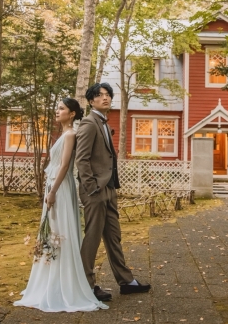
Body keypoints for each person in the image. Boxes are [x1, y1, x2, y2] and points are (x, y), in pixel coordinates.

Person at [13, 98, 108, 312]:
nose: (57, 111)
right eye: (58, 108)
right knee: (51, 232)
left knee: (59, 230)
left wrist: (53, 191)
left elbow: (65, 165)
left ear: (72, 113)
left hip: (61, 188)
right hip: (53, 185)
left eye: (62, 108)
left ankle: (63, 283)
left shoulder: (71, 134)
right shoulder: (64, 133)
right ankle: (49, 280)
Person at [76, 82, 151, 302]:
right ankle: (86, 285)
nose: (105, 98)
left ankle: (126, 281)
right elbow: (82, 160)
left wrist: (108, 187)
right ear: (91, 101)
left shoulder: (105, 125)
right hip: (95, 191)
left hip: (109, 189)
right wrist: (92, 189)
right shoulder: (89, 124)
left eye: (108, 94)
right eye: (100, 95)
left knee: (113, 237)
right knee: (92, 238)